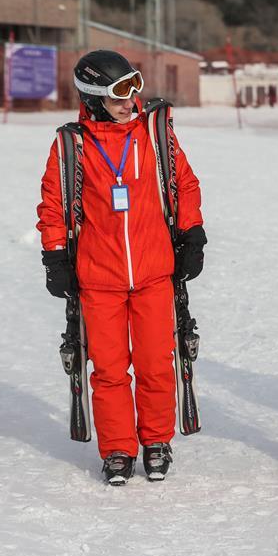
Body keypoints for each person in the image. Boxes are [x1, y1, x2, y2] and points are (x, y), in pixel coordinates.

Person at [36, 50, 205, 485]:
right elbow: (53, 205)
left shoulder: (153, 135)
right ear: (93, 99)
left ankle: (156, 442)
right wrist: (56, 257)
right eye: (119, 94)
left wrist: (193, 233)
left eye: (135, 88)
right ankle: (116, 449)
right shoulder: (72, 145)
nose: (131, 101)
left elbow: (183, 183)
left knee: (155, 364)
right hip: (99, 278)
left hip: (153, 273)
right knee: (109, 370)